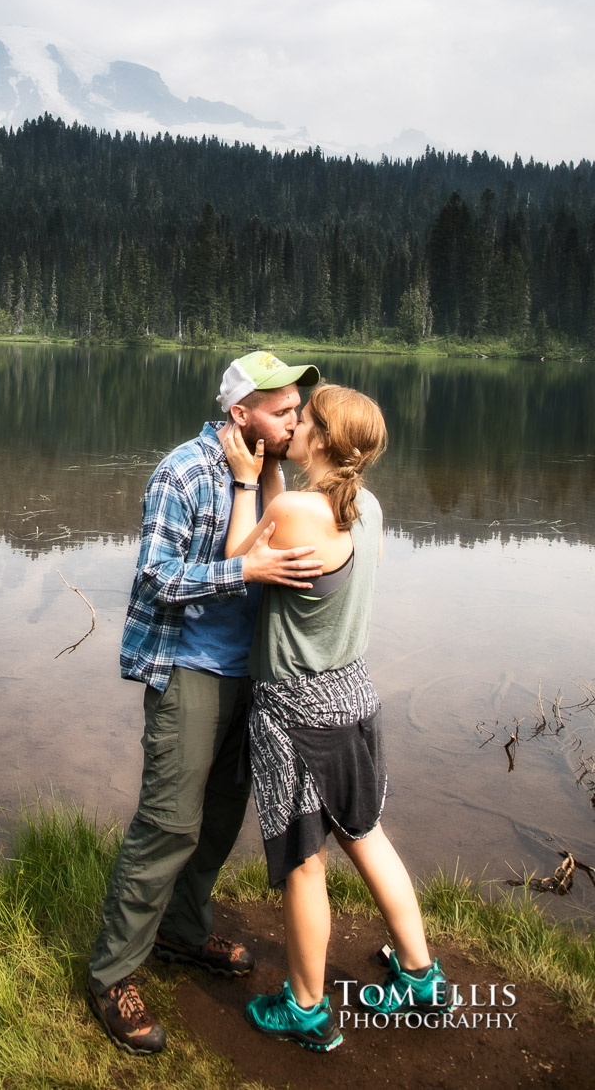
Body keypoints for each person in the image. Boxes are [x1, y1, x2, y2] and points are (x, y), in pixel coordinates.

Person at [86, 349, 322, 1056]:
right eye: (283, 412)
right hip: (188, 668)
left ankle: (182, 932)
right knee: (168, 823)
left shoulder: (266, 473)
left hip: (251, 674)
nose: (296, 421)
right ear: (240, 413)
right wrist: (243, 567)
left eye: (299, 412)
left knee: (221, 813)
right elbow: (155, 579)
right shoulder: (183, 471)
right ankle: (111, 973)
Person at [220, 382, 453, 1054]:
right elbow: (296, 528)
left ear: (320, 437)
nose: (292, 421)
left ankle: (307, 1008)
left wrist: (244, 481)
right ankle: (420, 975)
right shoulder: (367, 508)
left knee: (302, 864)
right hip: (352, 700)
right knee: (365, 835)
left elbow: (241, 560)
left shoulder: (296, 509)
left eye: (304, 417)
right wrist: (273, 474)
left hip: (295, 712)